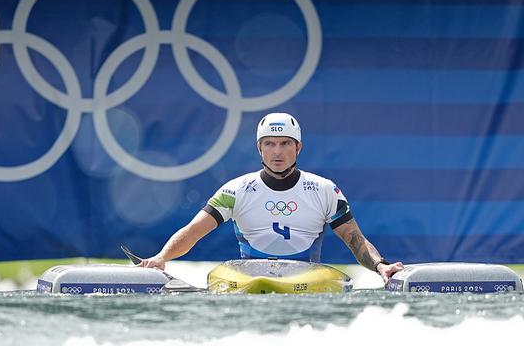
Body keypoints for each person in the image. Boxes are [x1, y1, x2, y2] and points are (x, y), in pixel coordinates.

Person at [140, 112, 404, 283]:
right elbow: (193, 231)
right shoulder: (235, 190)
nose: (277, 152)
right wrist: (162, 257)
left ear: (298, 147)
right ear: (259, 148)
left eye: (285, 143)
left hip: (306, 286)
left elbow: (355, 239)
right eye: (270, 143)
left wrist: (381, 266)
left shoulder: (324, 190)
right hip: (250, 284)